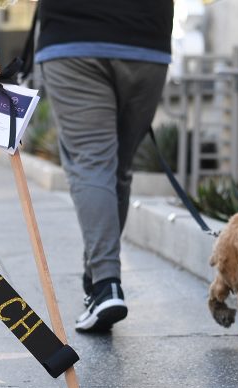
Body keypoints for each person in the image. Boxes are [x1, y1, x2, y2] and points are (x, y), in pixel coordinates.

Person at [35, 0, 173, 332]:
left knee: (92, 164)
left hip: (74, 37)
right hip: (146, 39)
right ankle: (98, 280)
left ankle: (105, 283)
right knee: (117, 170)